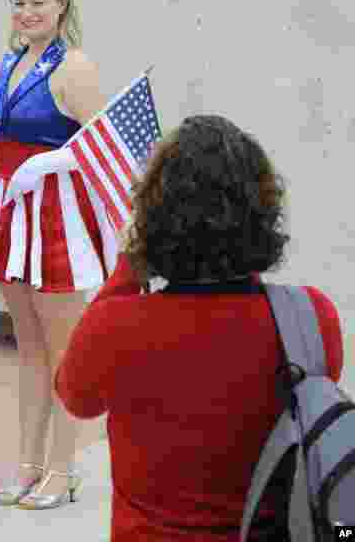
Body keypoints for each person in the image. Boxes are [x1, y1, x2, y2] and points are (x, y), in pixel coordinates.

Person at [55, 114, 344, 540]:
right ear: (263, 215)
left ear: (153, 222)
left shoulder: (113, 327)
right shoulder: (309, 318)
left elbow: (74, 396)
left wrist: (127, 267)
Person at [0, 0, 117, 509]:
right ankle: (27, 464)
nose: (27, 14)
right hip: (10, 216)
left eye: (38, 4)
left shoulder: (75, 66)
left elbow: (106, 141)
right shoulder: (10, 59)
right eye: (19, 3)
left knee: (64, 353)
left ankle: (62, 468)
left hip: (55, 220)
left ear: (61, 5)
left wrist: (50, 160)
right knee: (27, 350)